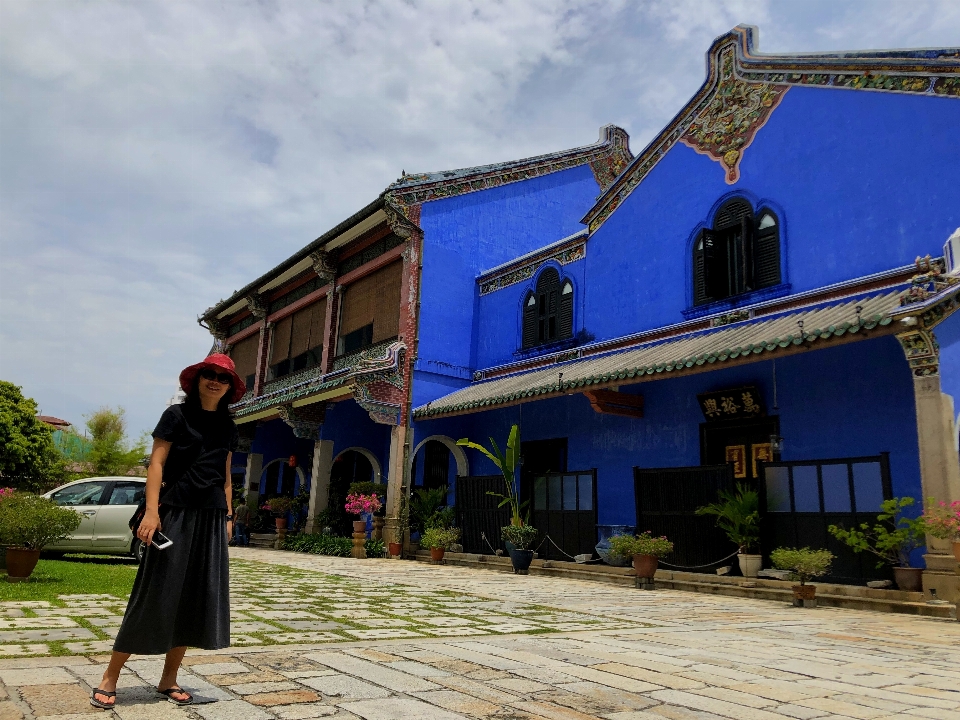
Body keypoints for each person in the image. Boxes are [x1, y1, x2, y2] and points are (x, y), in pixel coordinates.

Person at [91, 354, 244, 709]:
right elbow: (157, 463)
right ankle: (109, 677)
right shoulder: (176, 415)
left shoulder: (228, 426)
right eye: (210, 374)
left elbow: (224, 477)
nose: (215, 380)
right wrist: (153, 511)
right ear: (197, 379)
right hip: (173, 513)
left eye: (223, 377)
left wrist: (229, 517)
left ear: (230, 386)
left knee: (194, 597)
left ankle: (168, 679)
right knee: (154, 593)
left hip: (210, 519)